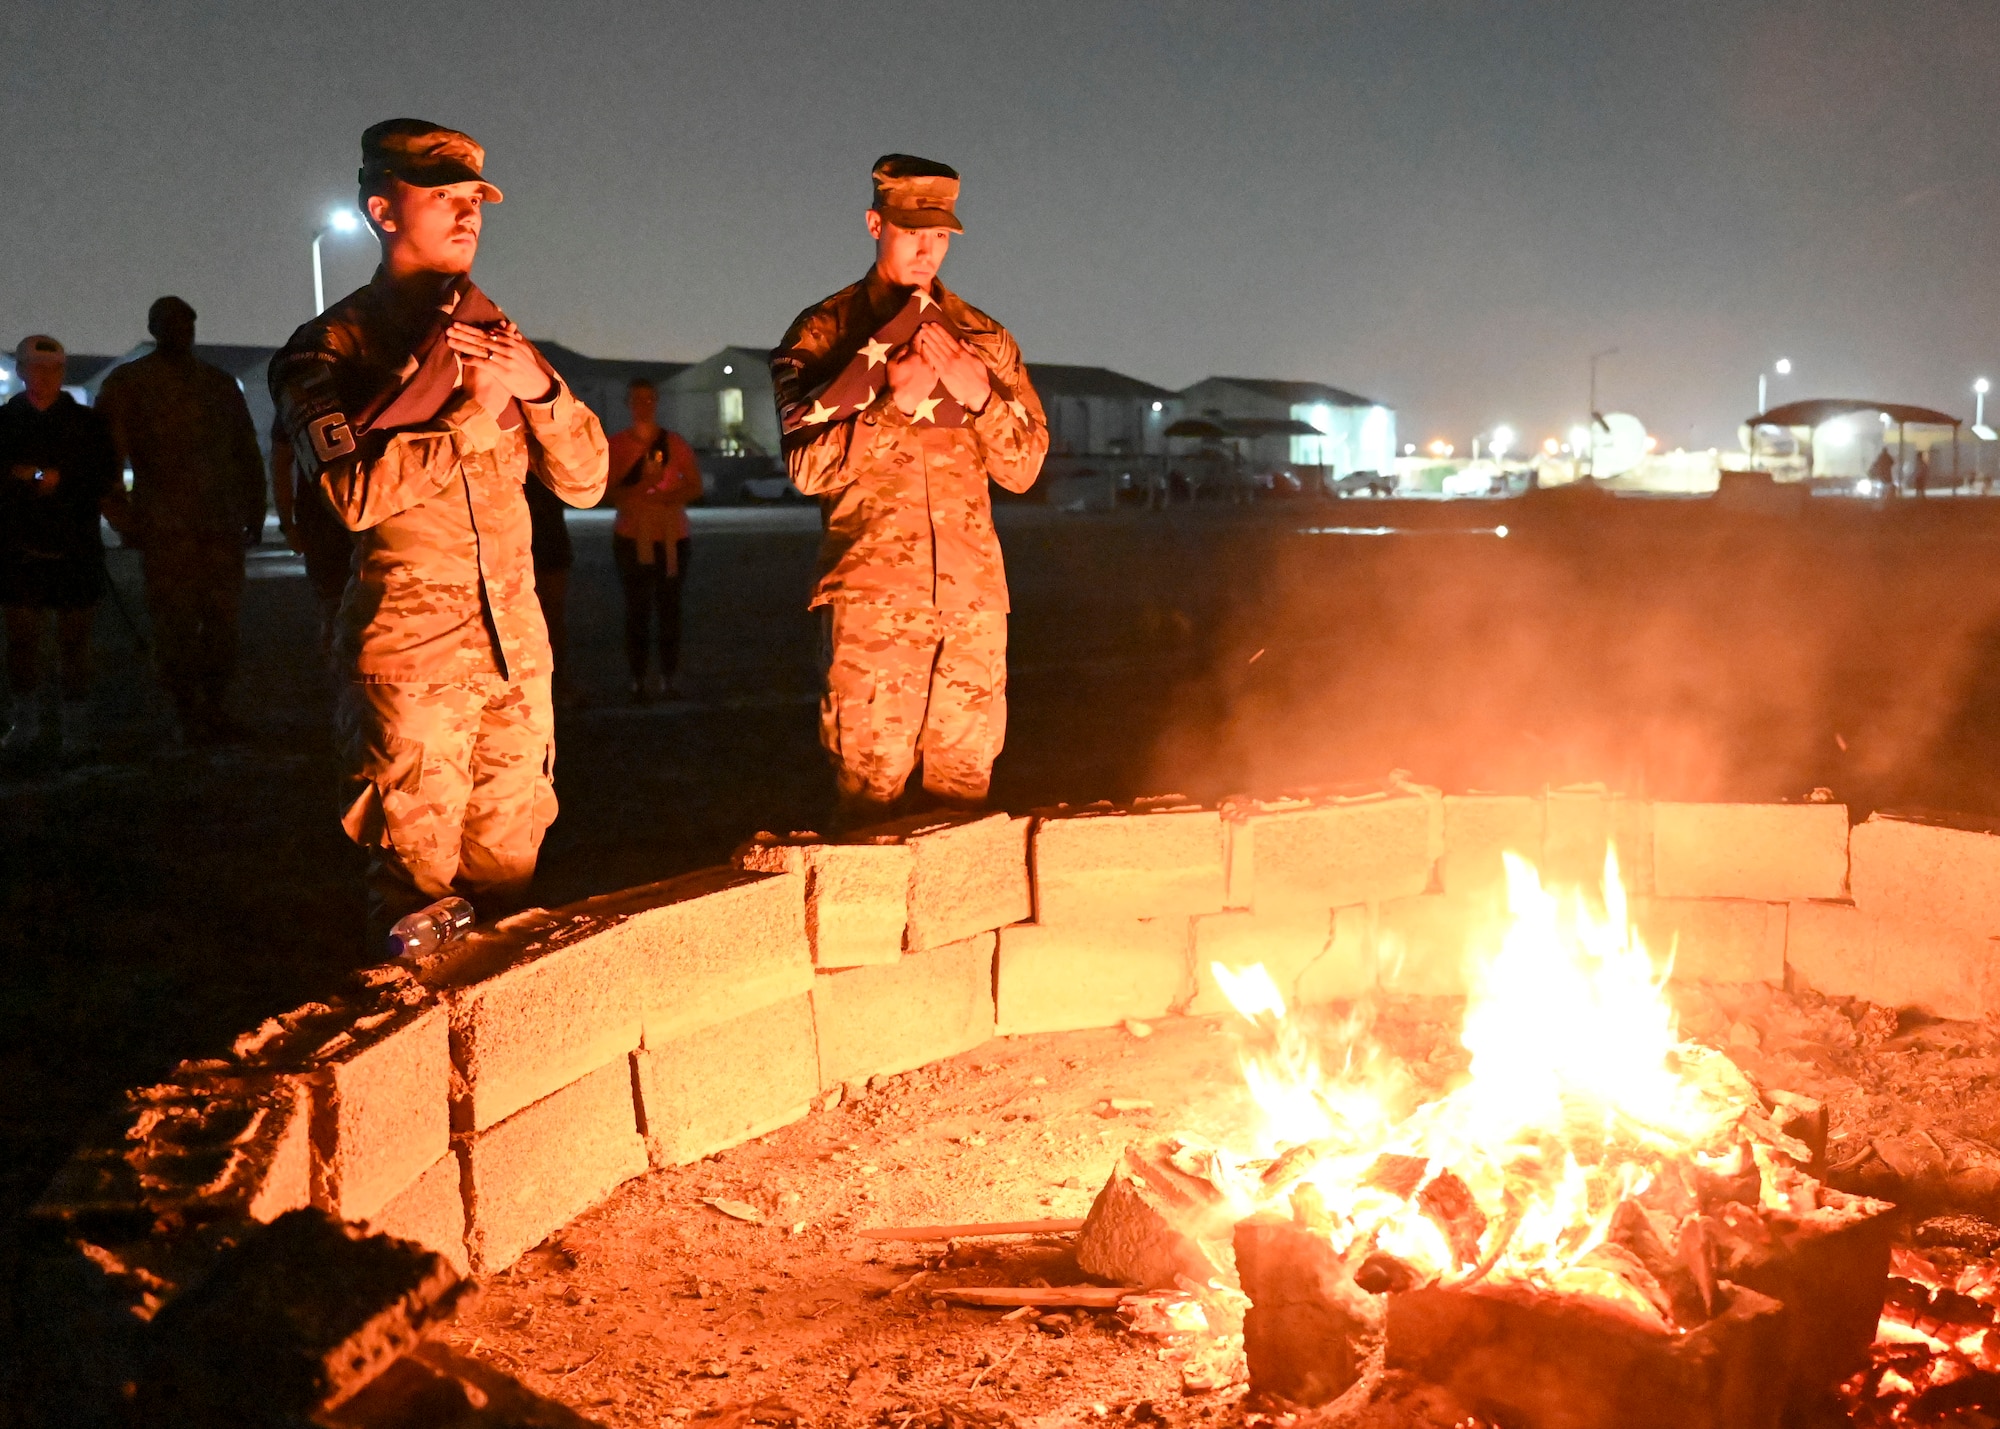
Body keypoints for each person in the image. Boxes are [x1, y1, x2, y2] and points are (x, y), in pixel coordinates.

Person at [269, 118, 608, 949]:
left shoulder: (495, 337)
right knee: (418, 907)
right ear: (384, 212)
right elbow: (352, 495)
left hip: (513, 660)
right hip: (412, 666)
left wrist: (539, 387)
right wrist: (471, 415)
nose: (468, 216)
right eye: (443, 198)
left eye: (474, 200)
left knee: (512, 896)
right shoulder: (327, 350)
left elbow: (588, 479)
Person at [769, 154, 1048, 824]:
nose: (928, 247)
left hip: (972, 608)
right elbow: (808, 468)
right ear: (875, 223)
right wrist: (892, 404)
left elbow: (1025, 465)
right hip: (875, 609)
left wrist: (982, 398)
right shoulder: (824, 334)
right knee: (870, 801)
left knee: (964, 800)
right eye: (910, 229)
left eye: (941, 234)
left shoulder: (982, 339)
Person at [95, 296, 266, 743]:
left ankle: (214, 707)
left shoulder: (218, 383)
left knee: (221, 622)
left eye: (186, 322)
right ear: (155, 328)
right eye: (170, 323)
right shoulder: (128, 383)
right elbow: (106, 459)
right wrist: (122, 517)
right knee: (173, 623)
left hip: (218, 523)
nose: (180, 330)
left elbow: (244, 450)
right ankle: (185, 712)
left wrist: (253, 507)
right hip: (165, 525)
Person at [0, 336, 128, 757]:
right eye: (36, 368)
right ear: (21, 371)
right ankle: (27, 723)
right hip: (19, 548)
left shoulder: (86, 424)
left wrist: (43, 478)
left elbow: (104, 477)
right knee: (22, 640)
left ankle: (75, 727)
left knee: (75, 643)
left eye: (53, 369)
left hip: (75, 546)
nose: (45, 376)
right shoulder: (5, 422)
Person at [606, 377, 702, 701]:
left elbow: (695, 485)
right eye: (636, 400)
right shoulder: (617, 446)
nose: (642, 406)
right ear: (628, 404)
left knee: (669, 609)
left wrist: (668, 496)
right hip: (631, 537)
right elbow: (606, 493)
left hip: (673, 537)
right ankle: (637, 678)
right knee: (637, 610)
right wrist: (640, 488)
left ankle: (669, 677)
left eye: (648, 400)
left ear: (656, 402)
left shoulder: (674, 443)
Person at [268, 412, 353, 665]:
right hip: (333, 521)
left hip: (321, 519)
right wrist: (288, 523)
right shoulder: (387, 378)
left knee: (333, 607)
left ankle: (341, 682)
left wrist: (288, 523)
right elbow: (281, 459)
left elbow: (280, 459)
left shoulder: (303, 386)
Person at [523, 477, 576, 706]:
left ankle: (556, 681)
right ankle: (547, 682)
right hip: (530, 539)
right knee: (542, 617)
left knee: (552, 617)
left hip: (547, 539)